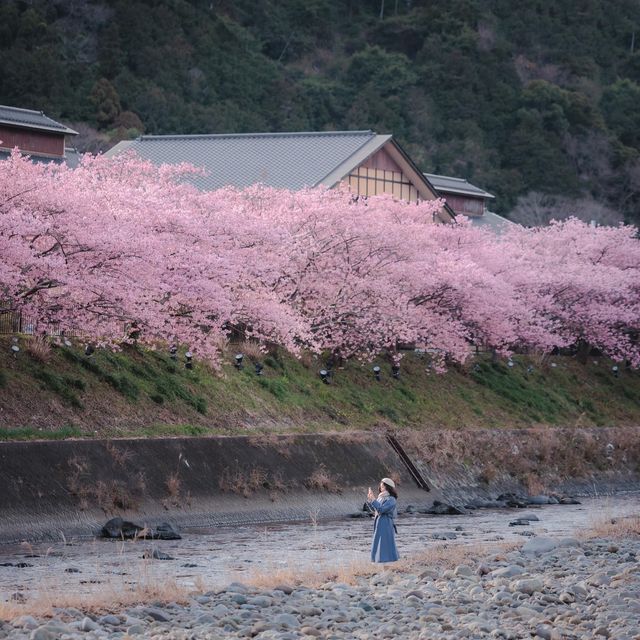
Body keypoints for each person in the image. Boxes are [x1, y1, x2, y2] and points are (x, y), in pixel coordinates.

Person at [366, 477, 399, 563]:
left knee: (385, 545)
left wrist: (373, 500)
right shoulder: (381, 497)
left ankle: (387, 569)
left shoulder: (391, 499)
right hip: (379, 522)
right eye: (381, 487)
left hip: (386, 523)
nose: (381, 489)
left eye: (383, 487)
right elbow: (375, 509)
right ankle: (383, 567)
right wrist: (370, 500)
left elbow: (381, 509)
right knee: (379, 544)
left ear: (388, 488)